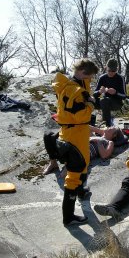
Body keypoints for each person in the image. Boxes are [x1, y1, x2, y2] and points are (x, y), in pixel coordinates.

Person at [52, 58, 98, 226]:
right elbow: (81, 114)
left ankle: (80, 191)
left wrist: (91, 97)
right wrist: (91, 105)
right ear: (82, 73)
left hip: (78, 131)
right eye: (90, 76)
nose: (91, 79)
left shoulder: (75, 83)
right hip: (74, 133)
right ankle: (68, 216)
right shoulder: (73, 90)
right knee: (75, 172)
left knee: (84, 162)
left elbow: (86, 90)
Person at [43, 126, 123, 176]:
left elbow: (105, 155)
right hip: (69, 148)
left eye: (112, 128)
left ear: (114, 135)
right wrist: (99, 131)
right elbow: (85, 126)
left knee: (75, 142)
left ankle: (69, 166)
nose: (109, 127)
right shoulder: (96, 134)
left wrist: (98, 141)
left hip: (78, 156)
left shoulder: (109, 142)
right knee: (48, 134)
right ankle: (53, 163)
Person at [93, 58, 127, 127]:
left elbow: (124, 96)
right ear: (106, 68)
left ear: (117, 69)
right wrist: (99, 91)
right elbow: (94, 94)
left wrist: (115, 92)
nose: (111, 72)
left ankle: (108, 125)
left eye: (113, 71)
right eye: (109, 70)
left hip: (117, 103)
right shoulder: (102, 77)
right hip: (104, 101)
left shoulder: (120, 78)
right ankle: (89, 123)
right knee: (89, 100)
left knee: (104, 101)